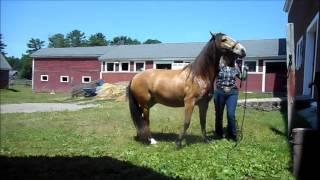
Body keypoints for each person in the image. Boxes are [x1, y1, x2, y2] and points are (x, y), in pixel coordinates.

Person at [214, 54, 248, 142]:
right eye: (226, 58)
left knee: (231, 114)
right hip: (219, 92)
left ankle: (232, 135)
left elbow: (243, 78)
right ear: (224, 58)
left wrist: (245, 70)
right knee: (219, 114)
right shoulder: (218, 67)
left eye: (230, 58)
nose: (228, 59)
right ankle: (219, 134)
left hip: (232, 93)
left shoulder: (235, 68)